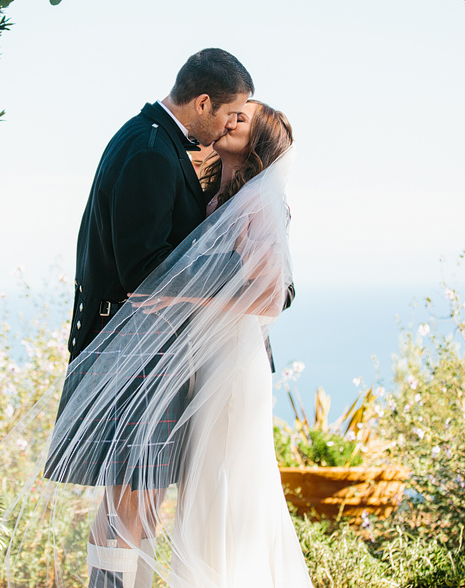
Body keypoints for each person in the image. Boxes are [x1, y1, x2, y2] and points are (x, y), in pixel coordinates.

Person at [29, 46, 310, 587]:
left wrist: (191, 294)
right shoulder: (152, 151)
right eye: (232, 111)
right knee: (132, 504)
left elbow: (279, 287)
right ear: (203, 102)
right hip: (137, 354)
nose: (233, 121)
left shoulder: (175, 155)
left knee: (151, 501)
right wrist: (193, 288)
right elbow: (145, 270)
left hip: (178, 356)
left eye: (244, 118)